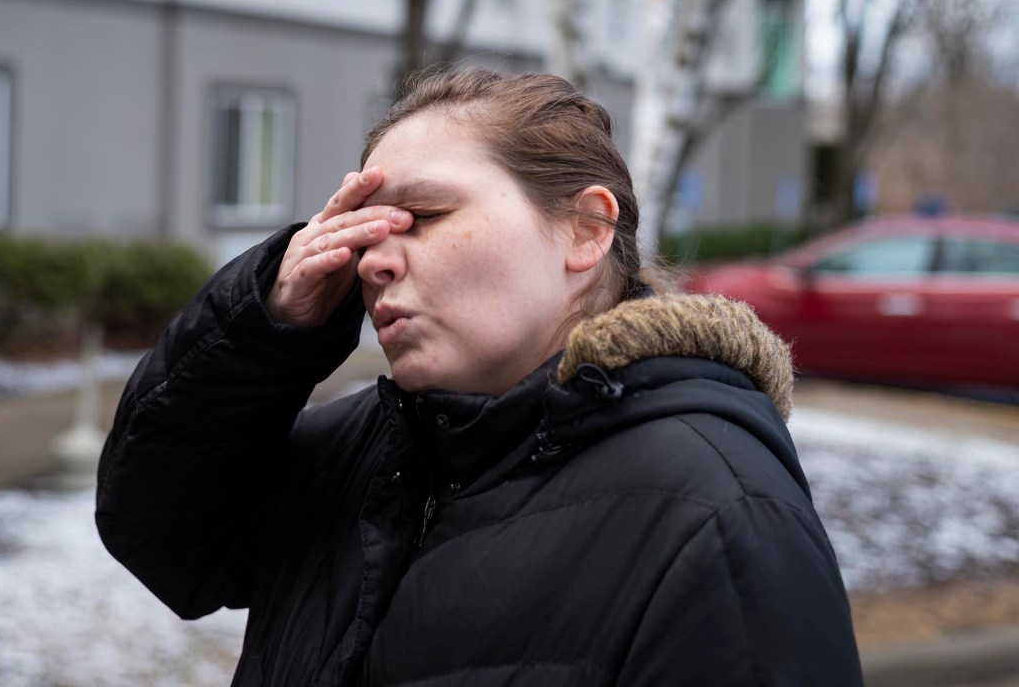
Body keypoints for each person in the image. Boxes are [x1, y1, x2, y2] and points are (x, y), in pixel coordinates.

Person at [96, 69, 863, 686]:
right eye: (364, 229)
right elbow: (163, 533)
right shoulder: (366, 452)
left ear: (585, 231)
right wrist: (265, 328)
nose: (373, 259)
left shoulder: (719, 513)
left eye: (421, 216)